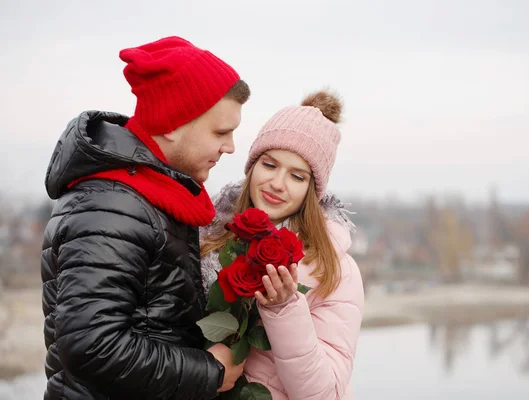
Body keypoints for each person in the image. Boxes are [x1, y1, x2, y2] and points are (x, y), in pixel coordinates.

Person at [41, 36, 250, 399]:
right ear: (171, 123)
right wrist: (209, 373)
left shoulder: (152, 197)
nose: (230, 146)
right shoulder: (111, 207)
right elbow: (92, 345)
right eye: (220, 132)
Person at [200, 90, 364, 399]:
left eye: (297, 176)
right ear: (252, 166)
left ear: (311, 191)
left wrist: (284, 308)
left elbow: (324, 394)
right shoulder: (206, 238)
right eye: (270, 164)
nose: (277, 184)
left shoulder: (336, 271)